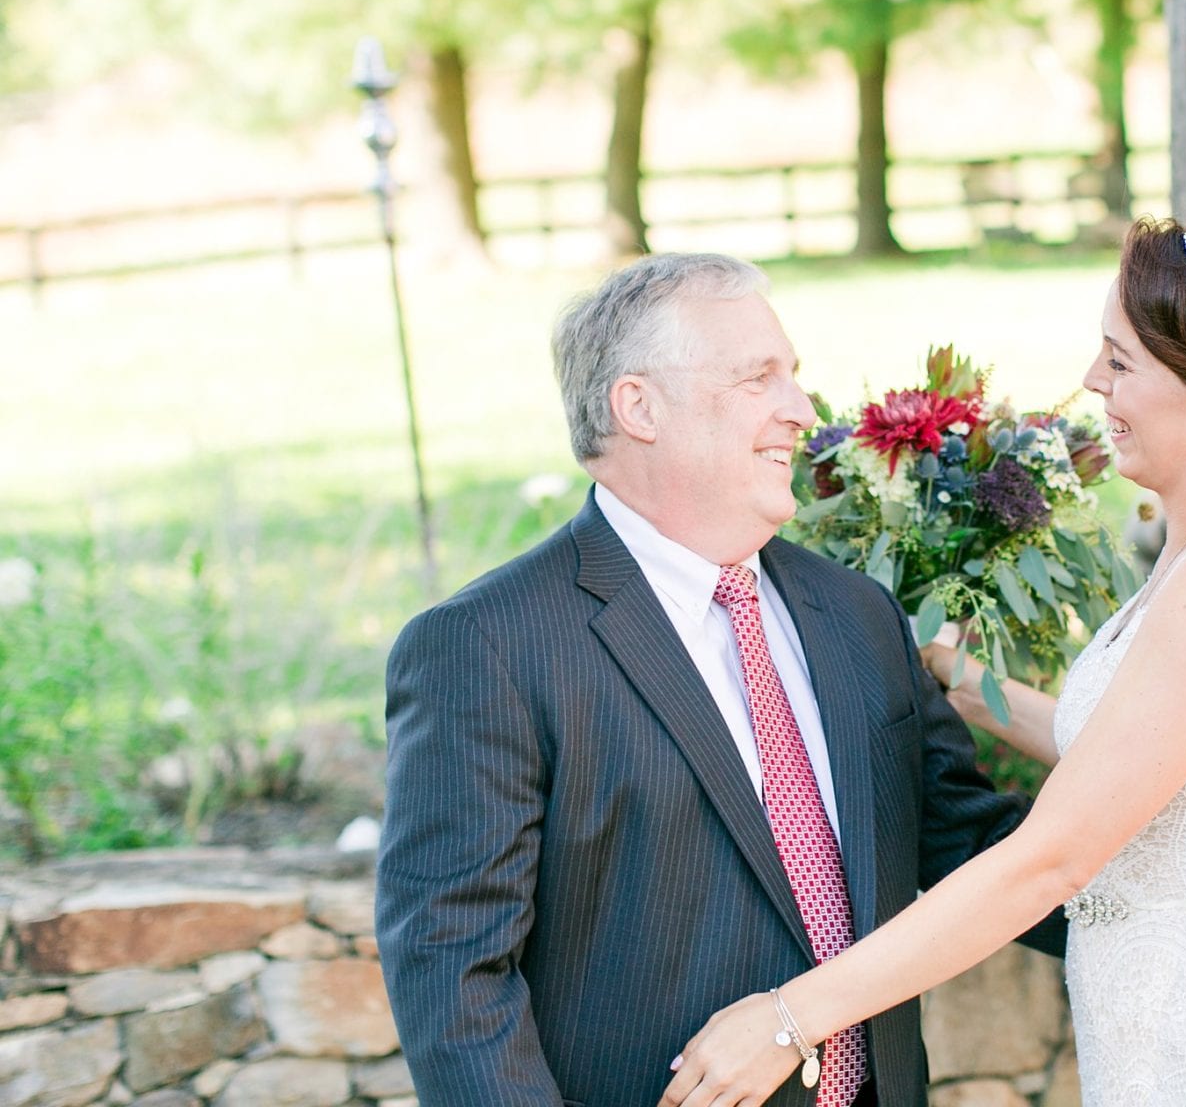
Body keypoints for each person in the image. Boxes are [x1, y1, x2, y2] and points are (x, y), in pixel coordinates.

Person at [662, 217, 1186, 1106]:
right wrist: (955, 680)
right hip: (1176, 1026)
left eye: (1120, 361)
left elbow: (1049, 860)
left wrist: (792, 1017)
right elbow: (1135, 749)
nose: (1091, 383)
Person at [374, 252, 1068, 1107]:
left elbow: (966, 845)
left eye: (795, 377)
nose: (803, 412)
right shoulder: (485, 648)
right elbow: (453, 973)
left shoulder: (856, 614)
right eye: (758, 378)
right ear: (639, 407)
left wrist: (1185, 902)